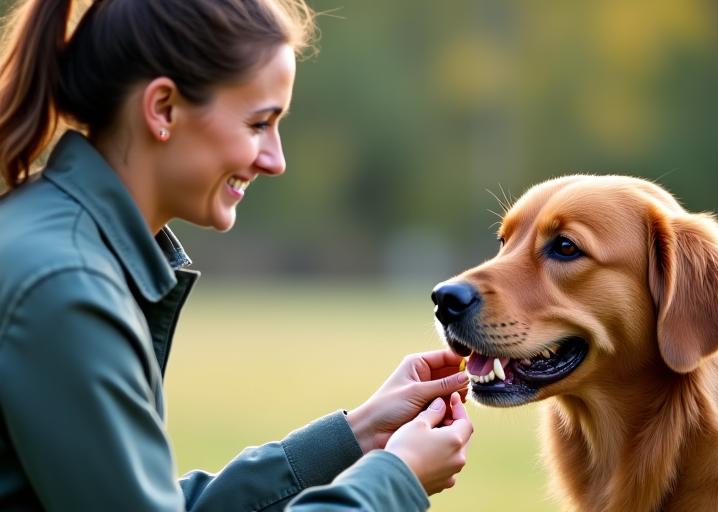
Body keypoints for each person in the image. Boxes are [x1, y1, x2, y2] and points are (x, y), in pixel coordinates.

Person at [0, 1, 474, 511]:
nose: (275, 160)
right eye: (258, 124)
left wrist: (357, 437)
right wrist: (394, 480)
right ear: (162, 109)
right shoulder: (67, 286)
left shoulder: (54, 244)